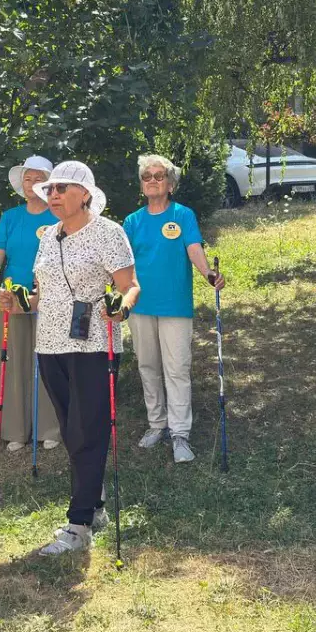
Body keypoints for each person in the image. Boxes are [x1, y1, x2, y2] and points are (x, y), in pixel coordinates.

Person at [0, 161, 140, 556]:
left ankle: (78, 525)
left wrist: (121, 307)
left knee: (85, 431)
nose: (53, 195)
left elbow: (130, 286)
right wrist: (16, 302)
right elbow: (41, 296)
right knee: (70, 427)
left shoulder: (109, 233)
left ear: (85, 194)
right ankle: (94, 506)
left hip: (94, 344)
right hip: (50, 345)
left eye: (61, 188)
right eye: (50, 190)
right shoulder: (48, 237)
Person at [123, 154, 225, 463]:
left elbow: (194, 248)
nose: (152, 180)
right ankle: (157, 424)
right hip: (140, 306)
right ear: (142, 185)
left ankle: (180, 433)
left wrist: (208, 273)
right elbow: (122, 264)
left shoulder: (183, 216)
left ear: (170, 184)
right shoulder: (132, 221)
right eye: (147, 176)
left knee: (177, 368)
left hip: (175, 305)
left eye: (158, 175)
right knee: (148, 366)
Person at [0, 155, 62, 453]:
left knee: (49, 360)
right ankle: (17, 430)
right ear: (21, 184)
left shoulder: (59, 215)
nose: (33, 184)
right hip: (13, 296)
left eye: (39, 179)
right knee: (14, 361)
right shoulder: (10, 217)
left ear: (49, 184)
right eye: (28, 178)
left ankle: (50, 428)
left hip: (51, 296)